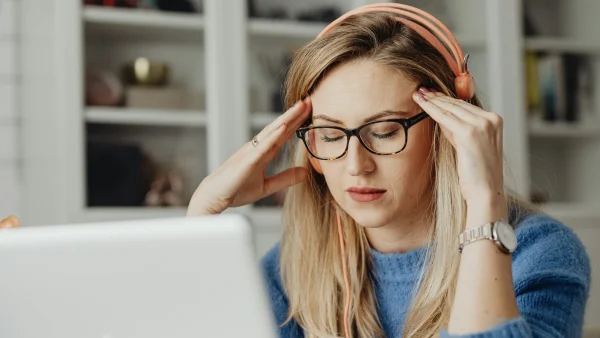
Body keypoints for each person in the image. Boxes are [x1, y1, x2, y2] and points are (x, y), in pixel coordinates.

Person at [188, 4, 589, 338]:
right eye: (329, 135)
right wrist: (202, 218)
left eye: (383, 131)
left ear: (450, 131)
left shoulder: (540, 253)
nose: (355, 165)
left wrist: (485, 203)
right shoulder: (295, 266)